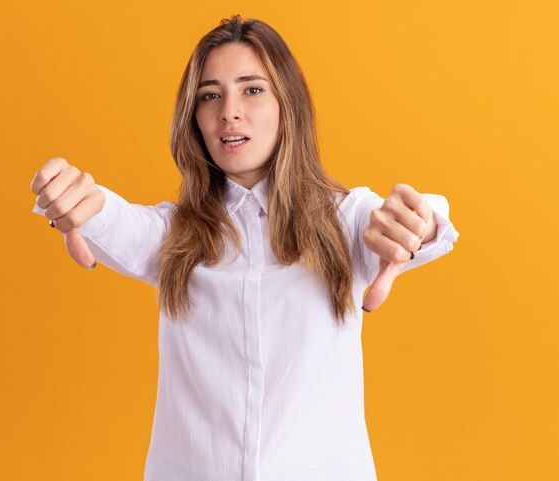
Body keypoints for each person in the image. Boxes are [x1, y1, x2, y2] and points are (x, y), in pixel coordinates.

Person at [30, 15, 459, 481]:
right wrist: (77, 198)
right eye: (210, 95)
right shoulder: (173, 235)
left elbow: (423, 223)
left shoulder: (346, 219)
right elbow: (113, 219)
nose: (229, 111)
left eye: (252, 89)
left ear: (286, 104)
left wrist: (419, 218)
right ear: (194, 118)